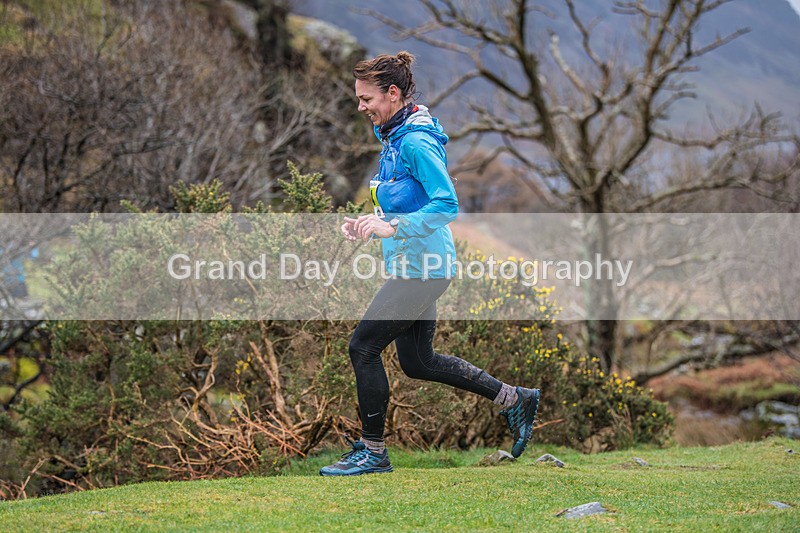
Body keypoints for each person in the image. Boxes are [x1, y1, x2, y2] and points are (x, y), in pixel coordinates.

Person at [320, 51, 540, 476]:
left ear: (393, 93)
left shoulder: (415, 142)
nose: (361, 107)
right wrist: (371, 223)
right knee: (419, 362)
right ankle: (515, 399)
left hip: (423, 268)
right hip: (418, 265)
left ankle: (373, 452)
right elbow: (407, 201)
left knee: (362, 347)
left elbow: (446, 204)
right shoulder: (395, 137)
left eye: (367, 99)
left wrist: (394, 227)